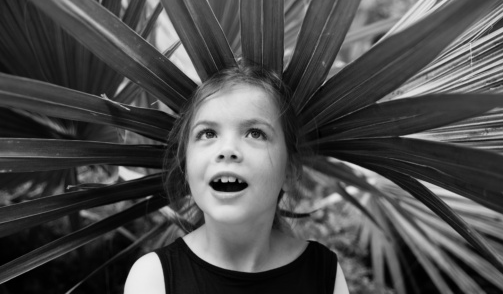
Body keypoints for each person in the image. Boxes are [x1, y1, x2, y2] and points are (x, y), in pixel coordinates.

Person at [125, 65, 349, 294]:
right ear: (186, 166)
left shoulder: (324, 274)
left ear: (289, 172)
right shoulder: (152, 278)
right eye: (208, 133)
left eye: (255, 133)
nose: (228, 149)